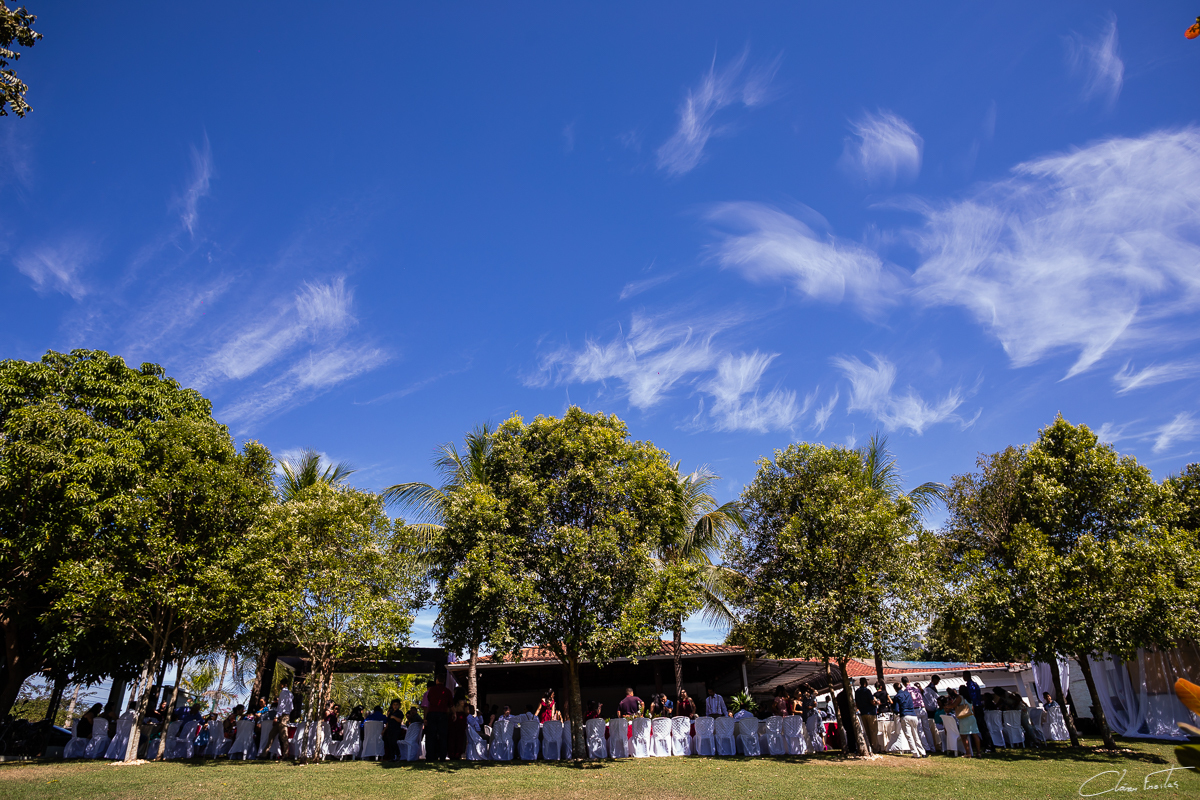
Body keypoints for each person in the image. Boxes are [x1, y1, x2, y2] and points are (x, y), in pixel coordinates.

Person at [424, 672, 455, 761]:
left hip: (432, 714)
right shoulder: (447, 691)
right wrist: (454, 713)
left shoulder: (431, 691)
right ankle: (442, 756)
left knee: (431, 736)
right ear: (444, 681)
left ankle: (430, 756)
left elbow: (427, 705)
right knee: (443, 736)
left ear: (436, 680)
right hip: (443, 714)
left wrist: (425, 718)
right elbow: (451, 705)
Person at [261, 679, 293, 760]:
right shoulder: (290, 694)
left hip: (282, 716)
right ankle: (264, 753)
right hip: (286, 715)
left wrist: (276, 717)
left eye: (280, 684)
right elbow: (291, 707)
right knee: (272, 734)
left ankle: (286, 755)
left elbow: (281, 706)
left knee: (283, 736)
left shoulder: (283, 693)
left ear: (283, 685)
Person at [892, 682, 926, 758]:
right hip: (913, 715)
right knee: (915, 735)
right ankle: (923, 752)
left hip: (905, 715)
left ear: (895, 689)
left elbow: (897, 709)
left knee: (909, 736)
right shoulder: (908, 694)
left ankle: (915, 753)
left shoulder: (897, 696)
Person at [946, 688, 981, 757]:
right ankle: (978, 752)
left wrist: (947, 706)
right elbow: (973, 708)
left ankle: (968, 753)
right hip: (971, 717)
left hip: (964, 718)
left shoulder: (960, 697)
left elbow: (954, 705)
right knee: (975, 735)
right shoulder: (970, 698)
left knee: (964, 736)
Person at [961, 670, 990, 752]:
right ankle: (986, 745)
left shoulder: (971, 685)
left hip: (976, 707)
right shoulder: (974, 684)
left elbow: (973, 698)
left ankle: (988, 746)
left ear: (967, 676)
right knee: (981, 727)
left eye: (964, 676)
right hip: (978, 706)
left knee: (981, 727)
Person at [854, 677, 878, 754]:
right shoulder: (867, 691)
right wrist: (876, 703)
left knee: (866, 731)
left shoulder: (857, 691)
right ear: (865, 683)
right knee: (873, 731)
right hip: (870, 712)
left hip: (863, 713)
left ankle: (868, 747)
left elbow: (856, 703)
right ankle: (875, 748)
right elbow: (872, 701)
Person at [449, 688, 469, 759]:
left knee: (452, 736)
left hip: (453, 718)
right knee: (460, 737)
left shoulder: (453, 701)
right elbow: (467, 712)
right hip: (461, 718)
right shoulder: (464, 702)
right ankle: (458, 753)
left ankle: (451, 753)